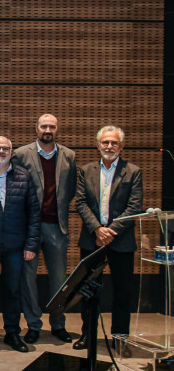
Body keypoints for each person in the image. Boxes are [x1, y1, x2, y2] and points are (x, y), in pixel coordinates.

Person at [73, 125, 143, 351]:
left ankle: (120, 338)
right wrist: (97, 229)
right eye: (105, 142)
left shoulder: (133, 171)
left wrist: (110, 231)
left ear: (121, 146)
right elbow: (81, 202)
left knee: (123, 291)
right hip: (92, 239)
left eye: (114, 143)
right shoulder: (86, 170)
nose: (109, 146)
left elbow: (134, 208)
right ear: (98, 145)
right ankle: (88, 335)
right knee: (89, 289)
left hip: (120, 241)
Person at [12, 113, 77, 344]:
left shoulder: (69, 155)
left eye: (52, 126)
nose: (47, 129)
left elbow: (70, 190)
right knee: (27, 278)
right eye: (43, 126)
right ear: (36, 128)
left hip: (55, 226)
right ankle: (33, 324)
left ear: (57, 129)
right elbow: (14, 188)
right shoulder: (20, 154)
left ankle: (58, 324)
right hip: (28, 227)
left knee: (59, 279)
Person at [0, 136, 41, 353]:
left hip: (16, 245)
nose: (1, 151)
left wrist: (31, 246)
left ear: (12, 152)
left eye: (6, 148)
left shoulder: (24, 175)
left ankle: (12, 332)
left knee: (13, 290)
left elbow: (33, 214)